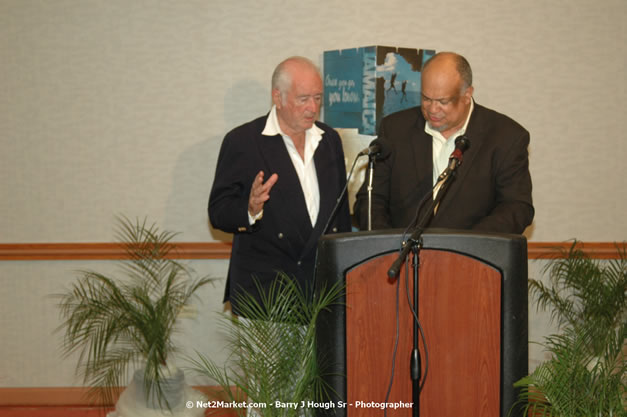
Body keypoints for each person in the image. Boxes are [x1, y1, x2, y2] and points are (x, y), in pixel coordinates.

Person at [209, 56, 352, 317]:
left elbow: (339, 215)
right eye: (303, 99)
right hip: (266, 296)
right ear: (278, 97)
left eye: (318, 98)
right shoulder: (244, 141)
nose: (312, 107)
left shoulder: (329, 140)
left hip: (321, 295)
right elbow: (218, 212)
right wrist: (250, 208)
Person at [354, 52, 534, 234]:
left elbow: (517, 207)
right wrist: (389, 248)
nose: (432, 109)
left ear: (467, 94)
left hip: (472, 258)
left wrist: (467, 246)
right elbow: (370, 200)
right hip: (402, 258)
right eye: (426, 99)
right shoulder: (395, 129)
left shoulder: (506, 137)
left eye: (443, 101)